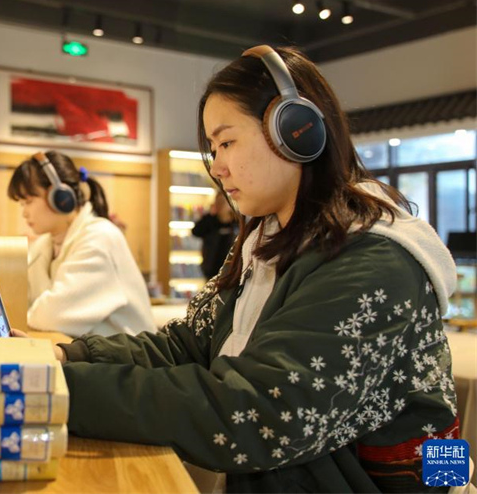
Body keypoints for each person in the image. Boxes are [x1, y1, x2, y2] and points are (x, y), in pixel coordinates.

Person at [51, 46, 460, 492]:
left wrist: (62, 391)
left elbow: (261, 413)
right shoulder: (265, 240)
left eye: (227, 142)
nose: (218, 167)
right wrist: (66, 357)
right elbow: (186, 345)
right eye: (213, 148)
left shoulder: (374, 259)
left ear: (295, 130)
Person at [7, 150, 156, 337]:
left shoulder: (99, 237)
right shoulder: (45, 244)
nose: (24, 213)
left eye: (28, 202)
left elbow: (53, 315)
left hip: (129, 362)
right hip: (92, 355)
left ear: (60, 197)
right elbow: (23, 303)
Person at [192, 192, 237, 280]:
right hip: (211, 269)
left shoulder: (237, 221)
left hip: (232, 271)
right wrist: (210, 215)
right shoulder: (210, 220)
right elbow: (195, 231)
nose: (221, 205)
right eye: (218, 202)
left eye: (224, 202)